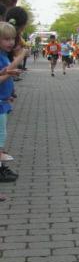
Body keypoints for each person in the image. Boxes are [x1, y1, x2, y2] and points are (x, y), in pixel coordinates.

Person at [0, 23, 22, 185]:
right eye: (6, 39)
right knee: (0, 137)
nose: (11, 42)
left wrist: (9, 95)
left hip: (3, 102)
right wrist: (20, 57)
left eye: (12, 39)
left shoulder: (3, 55)